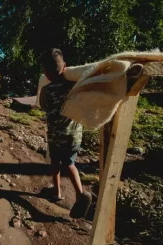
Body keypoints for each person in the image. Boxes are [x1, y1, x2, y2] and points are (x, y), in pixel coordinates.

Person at [38, 48, 92, 219]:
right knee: (70, 163)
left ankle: (63, 192)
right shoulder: (74, 87)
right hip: (75, 135)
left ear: (45, 72)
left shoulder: (46, 90)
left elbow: (43, 107)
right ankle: (72, 193)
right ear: (65, 67)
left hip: (55, 135)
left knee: (56, 161)